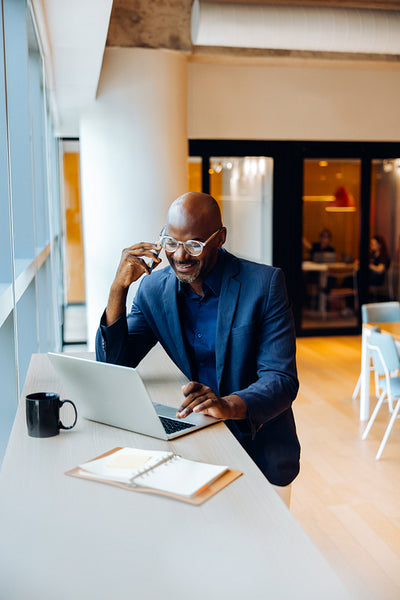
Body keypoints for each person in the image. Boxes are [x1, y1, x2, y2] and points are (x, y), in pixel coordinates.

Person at [96, 192, 300, 506]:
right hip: (196, 447)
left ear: (220, 238)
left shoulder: (265, 284)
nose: (180, 255)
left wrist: (229, 405)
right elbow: (114, 363)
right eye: (171, 242)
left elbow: (281, 379)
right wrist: (118, 289)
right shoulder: (153, 289)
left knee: (261, 550)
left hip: (260, 448)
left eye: (194, 244)